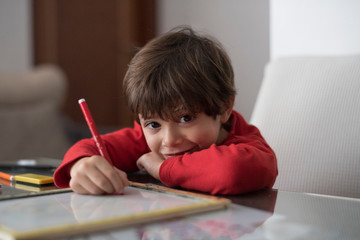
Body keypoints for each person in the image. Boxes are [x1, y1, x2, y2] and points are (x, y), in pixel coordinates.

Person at [54, 26, 277, 195]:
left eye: (185, 118)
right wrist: (81, 165)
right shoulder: (144, 140)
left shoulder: (247, 147)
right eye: (153, 124)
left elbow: (231, 171)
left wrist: (162, 168)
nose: (169, 141)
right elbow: (90, 147)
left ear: (225, 107)